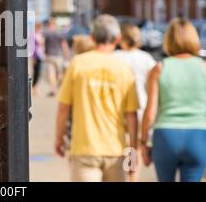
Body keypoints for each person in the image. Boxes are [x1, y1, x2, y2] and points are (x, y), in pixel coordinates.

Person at [55, 14, 139, 182]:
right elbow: (131, 115)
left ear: (92, 37)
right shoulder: (123, 68)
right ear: (117, 39)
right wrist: (133, 154)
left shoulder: (77, 64)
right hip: (115, 150)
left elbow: (64, 107)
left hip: (84, 147)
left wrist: (59, 138)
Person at [141, 18, 206, 182]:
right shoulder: (204, 68)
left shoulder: (159, 68)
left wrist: (144, 142)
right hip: (198, 135)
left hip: (166, 135)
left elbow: (150, 111)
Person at [114, 24, 156, 181]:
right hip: (141, 108)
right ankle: (133, 177)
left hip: (119, 108)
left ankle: (125, 175)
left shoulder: (114, 57)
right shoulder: (146, 58)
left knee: (123, 147)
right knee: (134, 148)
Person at [43, 18, 70, 96]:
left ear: (49, 24)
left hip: (49, 55)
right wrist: (66, 55)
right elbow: (64, 45)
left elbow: (42, 42)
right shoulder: (59, 33)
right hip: (59, 56)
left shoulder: (47, 33)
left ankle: (53, 89)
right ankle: (59, 87)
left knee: (51, 74)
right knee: (60, 73)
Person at [30, 22, 45, 96]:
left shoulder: (40, 35)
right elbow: (32, 47)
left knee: (39, 73)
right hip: (37, 56)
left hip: (41, 56)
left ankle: (35, 88)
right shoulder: (34, 35)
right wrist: (33, 58)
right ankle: (34, 88)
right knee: (36, 73)